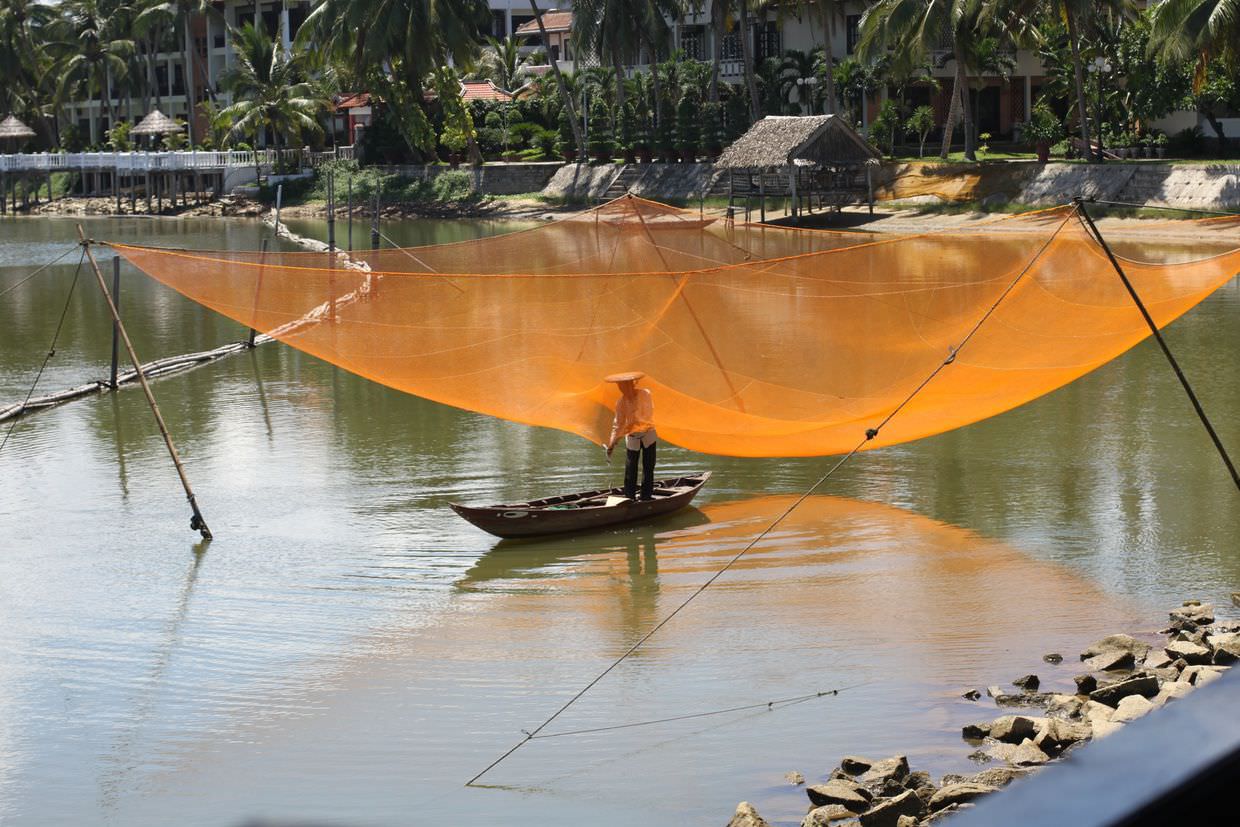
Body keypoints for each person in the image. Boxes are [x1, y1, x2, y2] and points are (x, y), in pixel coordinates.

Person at [604, 371, 656, 501]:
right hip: (632, 437)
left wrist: (629, 426)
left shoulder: (645, 394)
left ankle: (646, 496)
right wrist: (611, 444)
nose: (622, 389)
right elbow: (618, 424)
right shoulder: (621, 402)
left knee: (648, 466)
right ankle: (629, 497)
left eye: (624, 386)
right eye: (620, 386)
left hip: (648, 435)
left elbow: (646, 416)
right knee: (630, 468)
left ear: (632, 385)